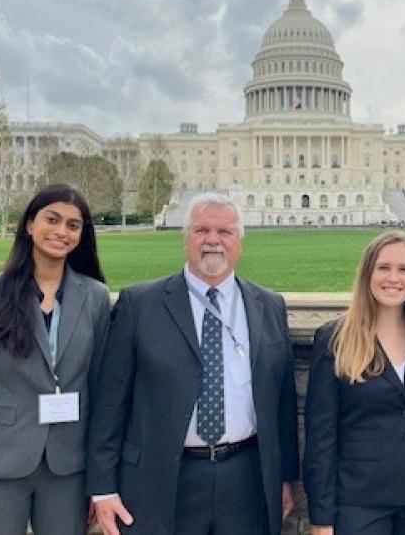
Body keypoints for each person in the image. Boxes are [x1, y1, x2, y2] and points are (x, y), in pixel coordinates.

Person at [86, 192, 298, 535]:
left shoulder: (268, 306)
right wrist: (102, 487)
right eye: (201, 230)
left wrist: (285, 477)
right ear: (185, 240)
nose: (213, 240)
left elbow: (283, 401)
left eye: (225, 232)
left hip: (246, 478)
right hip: (162, 477)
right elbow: (111, 401)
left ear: (240, 242)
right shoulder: (140, 304)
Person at [0, 184, 111, 535]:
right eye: (52, 219)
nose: (61, 232)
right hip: (0, 467)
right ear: (30, 225)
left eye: (73, 225)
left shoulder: (95, 298)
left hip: (68, 469)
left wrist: (101, 484)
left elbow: (101, 393)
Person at [304, 231, 405, 535]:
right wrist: (321, 517)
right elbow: (321, 436)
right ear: (368, 273)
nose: (393, 278)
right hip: (360, 501)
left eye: (404, 269)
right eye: (383, 267)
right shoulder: (336, 339)